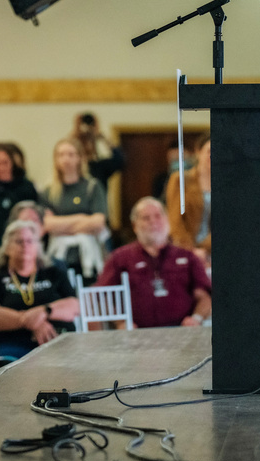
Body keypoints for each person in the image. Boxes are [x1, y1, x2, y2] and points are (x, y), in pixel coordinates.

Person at [98, 198, 212, 329]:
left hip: (182, 331)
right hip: (137, 335)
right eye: (146, 218)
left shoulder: (187, 256)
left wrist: (196, 318)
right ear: (135, 225)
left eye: (158, 216)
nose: (153, 222)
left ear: (167, 219)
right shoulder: (119, 258)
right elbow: (102, 295)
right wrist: (121, 322)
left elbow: (204, 296)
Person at [0, 220, 79, 359]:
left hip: (59, 340)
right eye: (19, 241)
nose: (25, 245)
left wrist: (44, 311)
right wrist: (27, 320)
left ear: (38, 246)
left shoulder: (54, 273)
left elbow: (74, 306)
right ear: (7, 247)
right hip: (12, 344)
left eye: (30, 241)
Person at [39, 138, 109, 284]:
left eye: (71, 154)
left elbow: (98, 223)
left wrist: (61, 225)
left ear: (79, 158)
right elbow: (47, 224)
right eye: (61, 155)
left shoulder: (92, 187)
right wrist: (83, 219)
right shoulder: (48, 191)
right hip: (59, 256)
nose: (66, 159)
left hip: (88, 255)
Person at [165, 133, 212, 260]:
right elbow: (175, 221)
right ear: (198, 152)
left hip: (212, 251)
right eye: (209, 151)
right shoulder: (180, 179)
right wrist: (191, 251)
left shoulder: (228, 184)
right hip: (184, 250)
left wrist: (206, 249)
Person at [70, 112, 124, 189]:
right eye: (84, 141)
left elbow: (120, 160)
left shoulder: (100, 167)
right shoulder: (73, 166)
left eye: (90, 142)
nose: (87, 145)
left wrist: (103, 138)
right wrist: (75, 135)